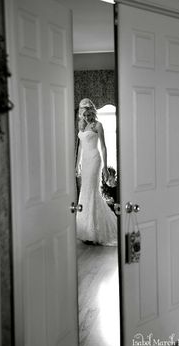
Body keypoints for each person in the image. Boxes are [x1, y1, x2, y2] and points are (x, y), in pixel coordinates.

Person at [76, 98, 117, 246]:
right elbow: (80, 147)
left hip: (94, 159)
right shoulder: (81, 126)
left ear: (93, 112)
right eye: (84, 115)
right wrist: (77, 165)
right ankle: (85, 231)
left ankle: (95, 232)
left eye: (89, 115)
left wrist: (105, 167)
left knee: (92, 191)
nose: (87, 118)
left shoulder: (98, 125)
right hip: (85, 161)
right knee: (84, 192)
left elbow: (104, 147)